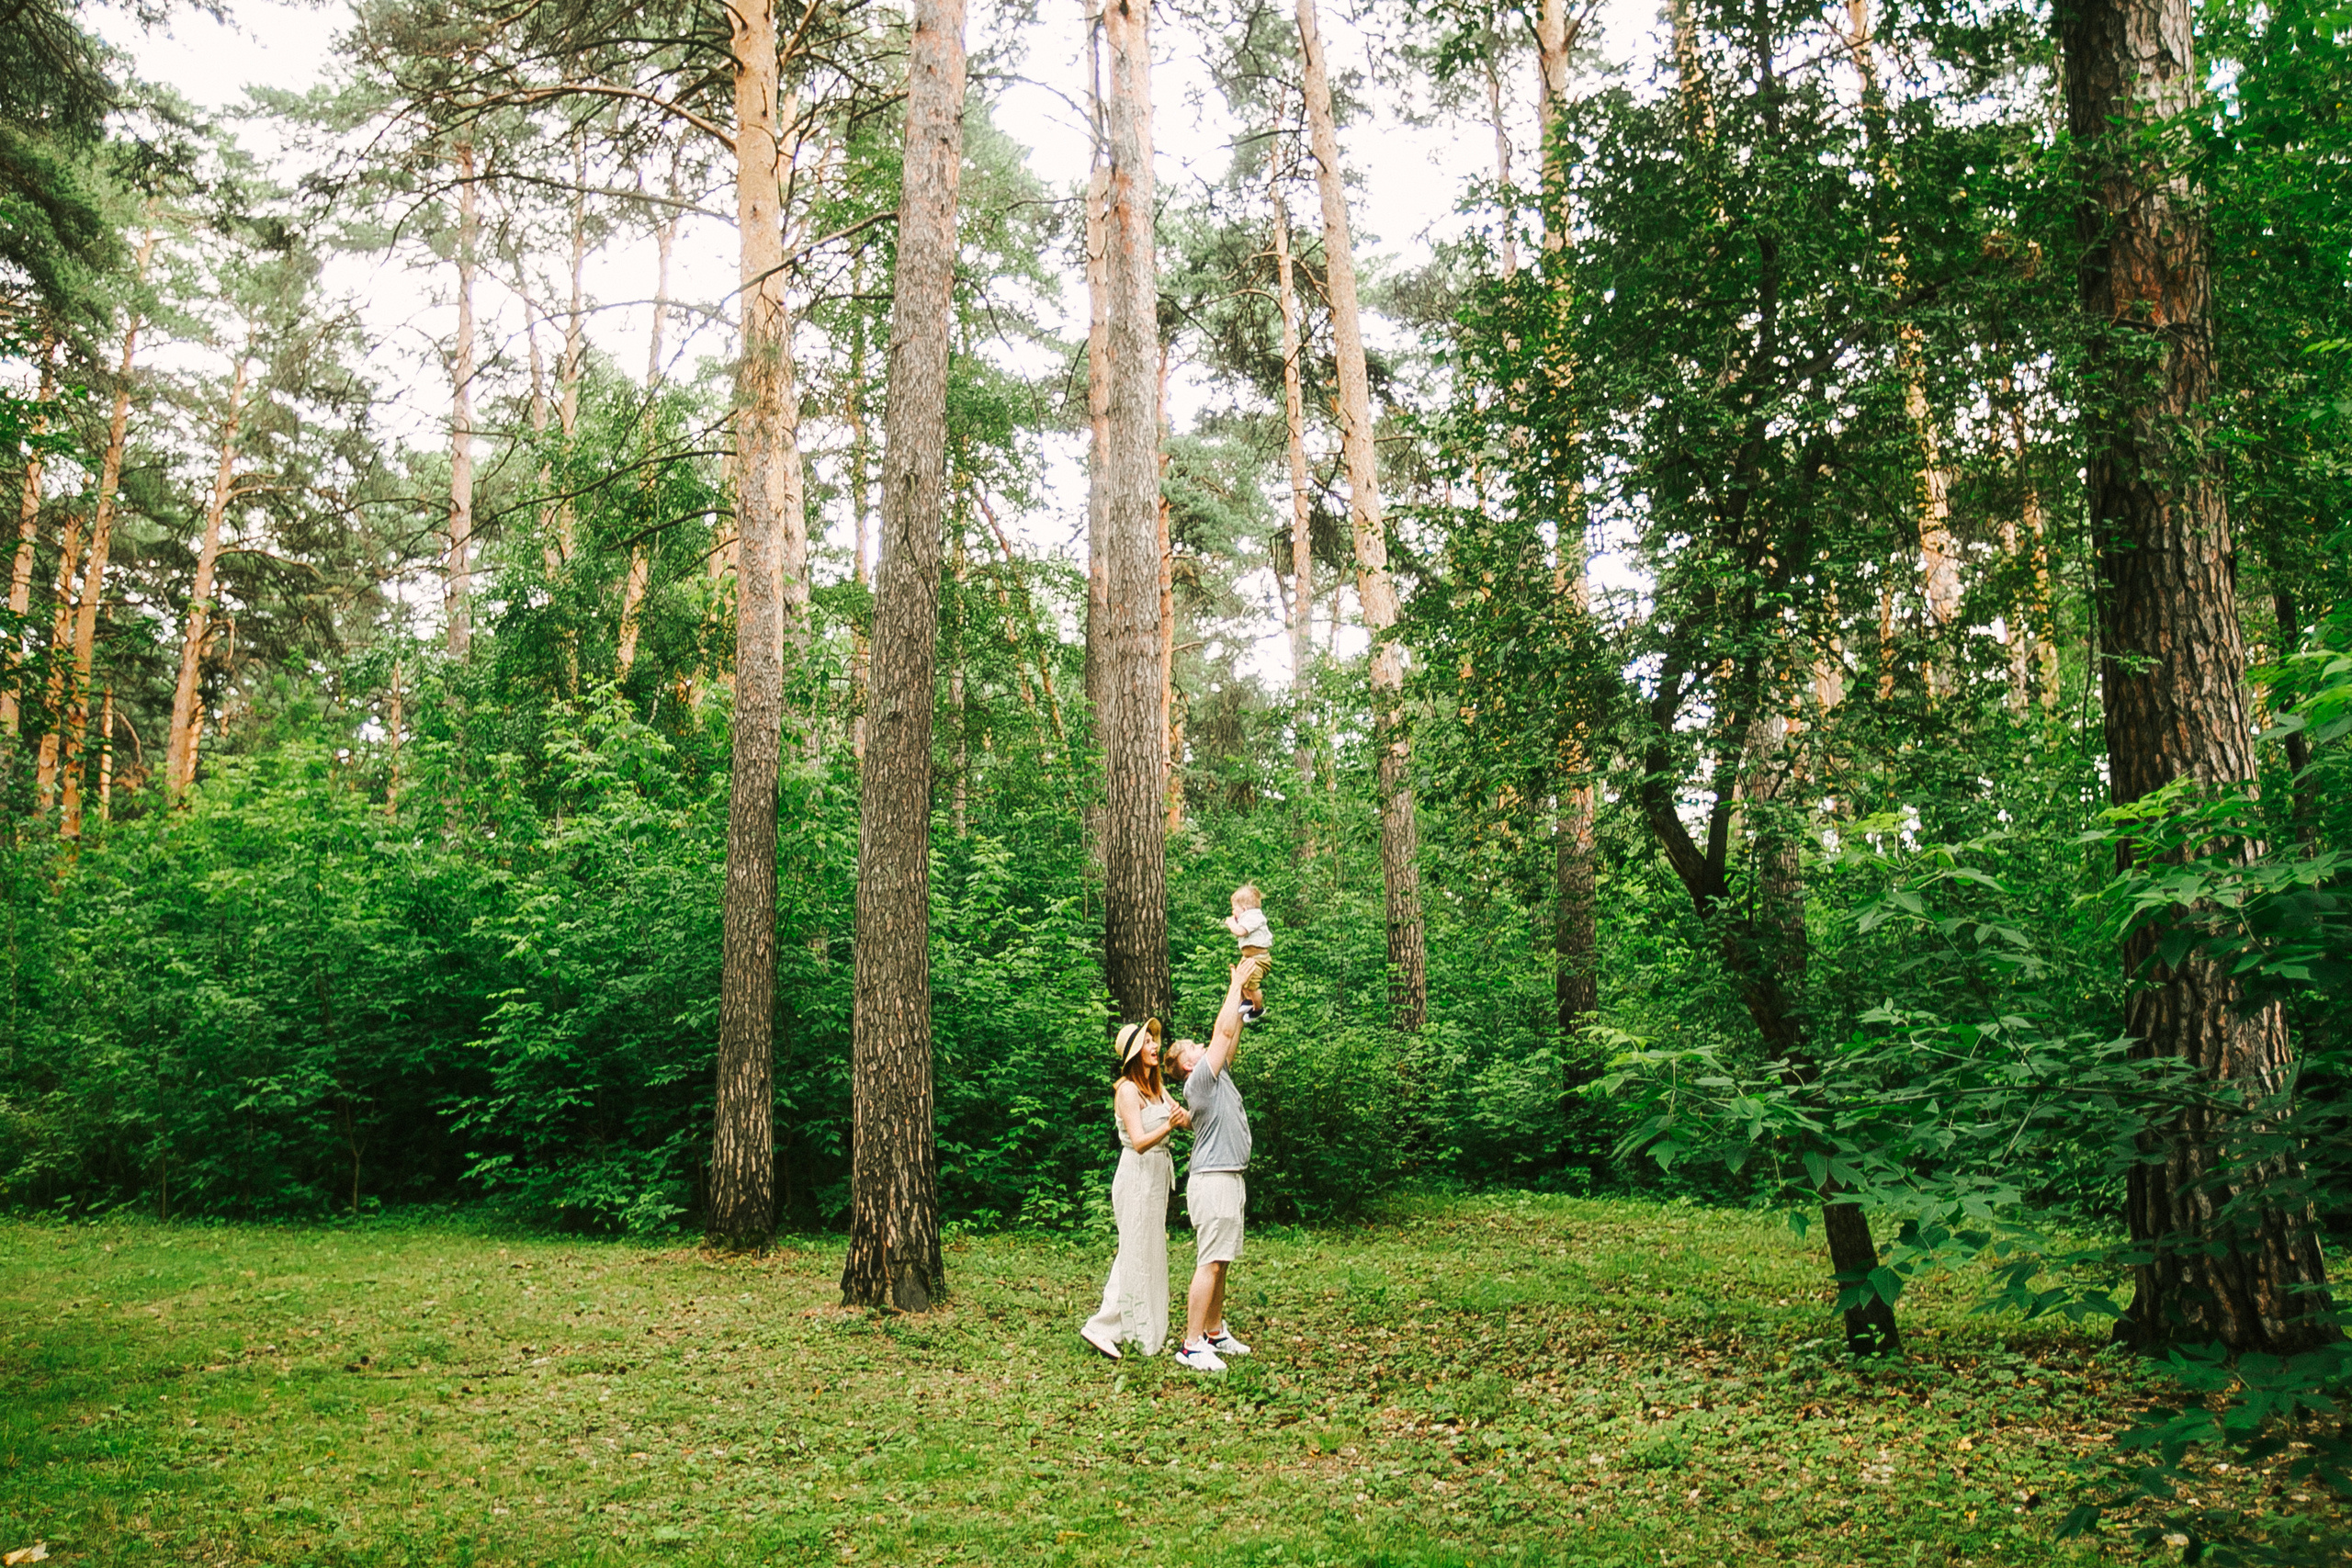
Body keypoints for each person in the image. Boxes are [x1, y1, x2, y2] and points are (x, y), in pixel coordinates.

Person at [1079, 1018, 1191, 1359]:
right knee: (1134, 1252)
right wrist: (1167, 1128)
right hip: (1136, 1176)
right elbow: (1139, 1141)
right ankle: (1101, 1326)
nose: (1155, 1047)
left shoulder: (1156, 1088)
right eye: (1147, 1043)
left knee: (1150, 1252)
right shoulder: (1127, 1090)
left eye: (1155, 1041)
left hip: (1156, 1177)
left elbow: (1180, 1116)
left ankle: (1143, 1332)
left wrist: (1191, 1114)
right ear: (1132, 1054)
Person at [1168, 960, 1254, 1372]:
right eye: (1195, 1049)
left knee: (1223, 1260)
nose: (1203, 1048)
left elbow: (1230, 1034)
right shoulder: (1198, 1082)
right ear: (1188, 1064)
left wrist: (1245, 1000)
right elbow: (1220, 1033)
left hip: (1229, 1176)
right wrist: (1235, 983)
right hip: (1213, 1178)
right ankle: (1190, 1344)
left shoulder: (1218, 1076)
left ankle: (1214, 1332)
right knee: (1211, 1260)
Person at [1223, 884, 1272, 1022]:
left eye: (1234, 909)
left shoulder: (1254, 916)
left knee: (1252, 985)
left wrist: (1231, 923)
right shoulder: (1247, 917)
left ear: (1244, 909)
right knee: (1241, 978)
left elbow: (1240, 931)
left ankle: (1258, 1008)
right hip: (1249, 957)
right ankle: (1249, 1001)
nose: (1233, 913)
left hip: (1259, 959)